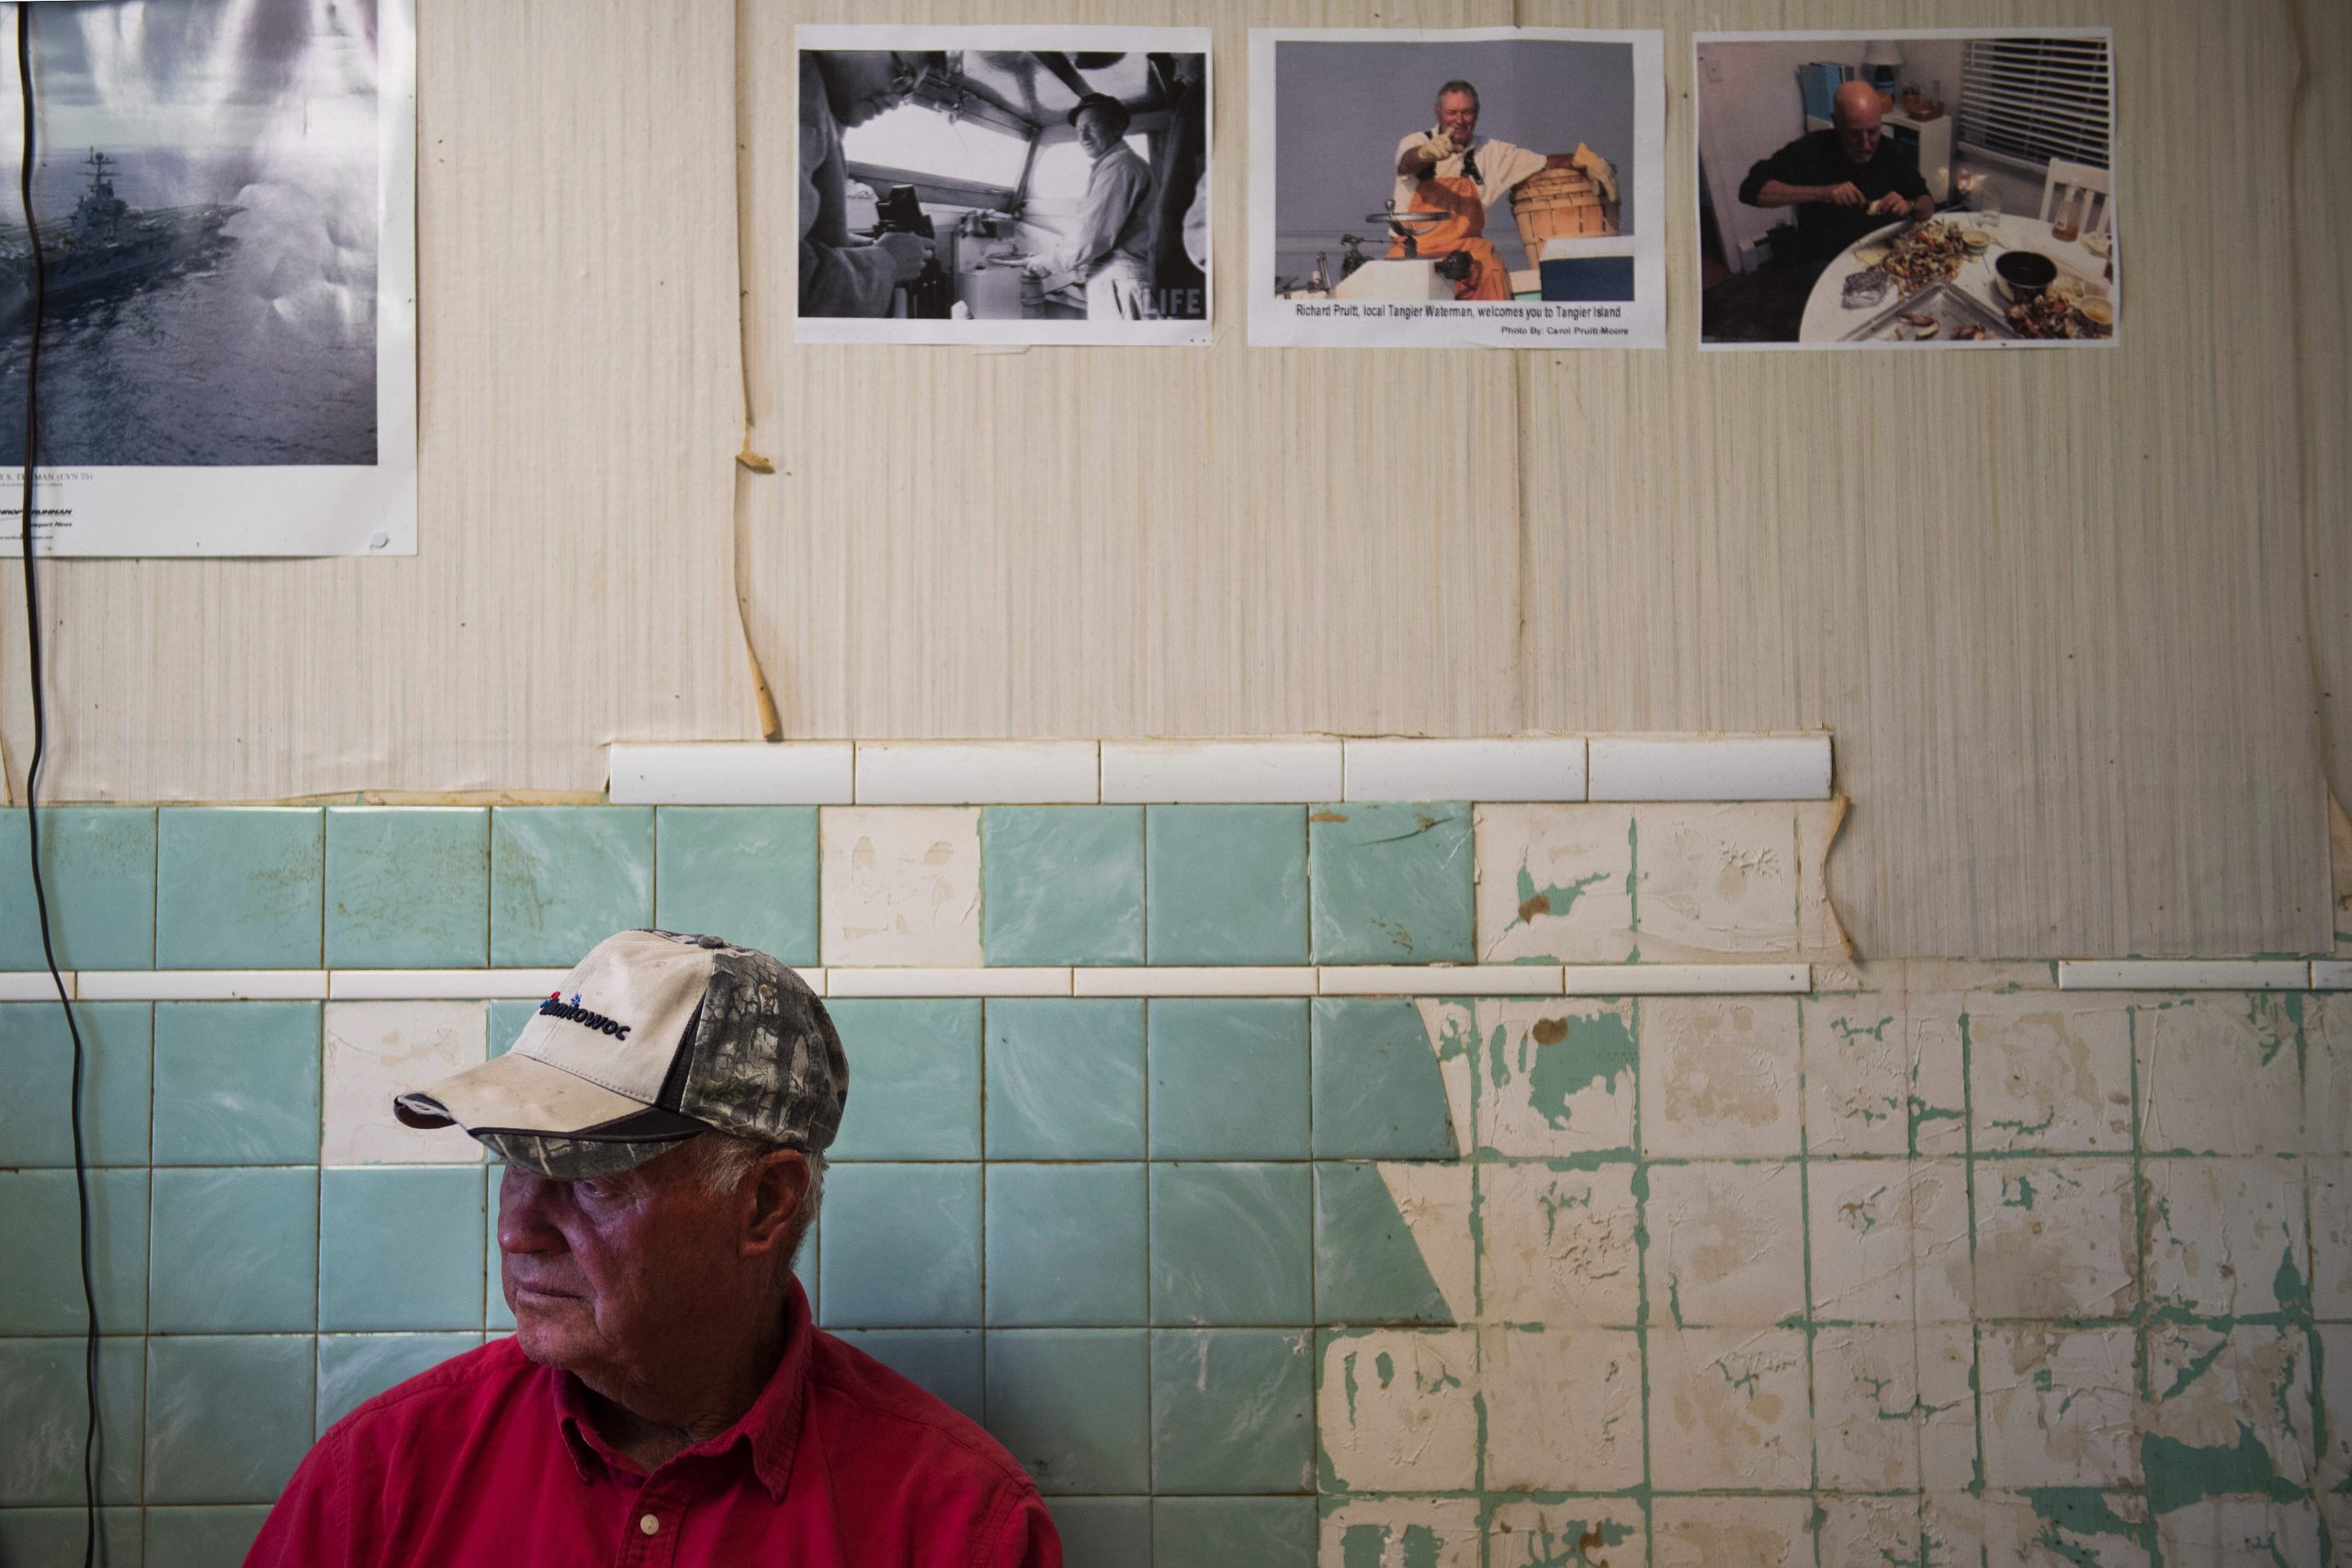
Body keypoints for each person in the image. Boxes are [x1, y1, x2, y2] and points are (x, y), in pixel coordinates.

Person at [245, 929, 1061, 1568]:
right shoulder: (384, 1478)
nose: (514, 1231)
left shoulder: (958, 1525)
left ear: (764, 1202)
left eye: (591, 1180)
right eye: (513, 1165)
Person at [1389, 79, 1619, 301]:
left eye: (1467, 112)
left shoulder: (1494, 152)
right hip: (1415, 249)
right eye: (1452, 113)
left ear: (1477, 114)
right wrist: (1426, 154)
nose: (1459, 120)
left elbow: (1545, 162)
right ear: (1438, 113)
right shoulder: (1415, 141)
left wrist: (1584, 160)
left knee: (1492, 269)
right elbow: (1406, 164)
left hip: (1468, 250)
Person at [800, 51, 945, 316]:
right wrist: (885, 261)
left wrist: (862, 249)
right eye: (901, 75)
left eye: (906, 93)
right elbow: (784, 285)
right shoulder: (797, 96)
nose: (893, 104)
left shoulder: (823, 110)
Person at [1737, 79, 1933, 267]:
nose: (1865, 144)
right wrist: (1823, 193)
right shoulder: (1811, 149)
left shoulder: (1894, 151)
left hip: (1883, 248)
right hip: (1826, 256)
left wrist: (1910, 205)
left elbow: (1928, 204)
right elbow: (1751, 189)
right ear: (1836, 122)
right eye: (1854, 133)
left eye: (1873, 131)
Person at [1026, 93, 1154, 321]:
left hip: (1120, 282)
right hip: (1117, 280)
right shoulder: (1114, 166)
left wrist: (1046, 262)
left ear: (1116, 128)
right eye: (1078, 129)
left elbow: (1092, 237)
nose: (1083, 136)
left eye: (1092, 126)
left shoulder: (1120, 167)